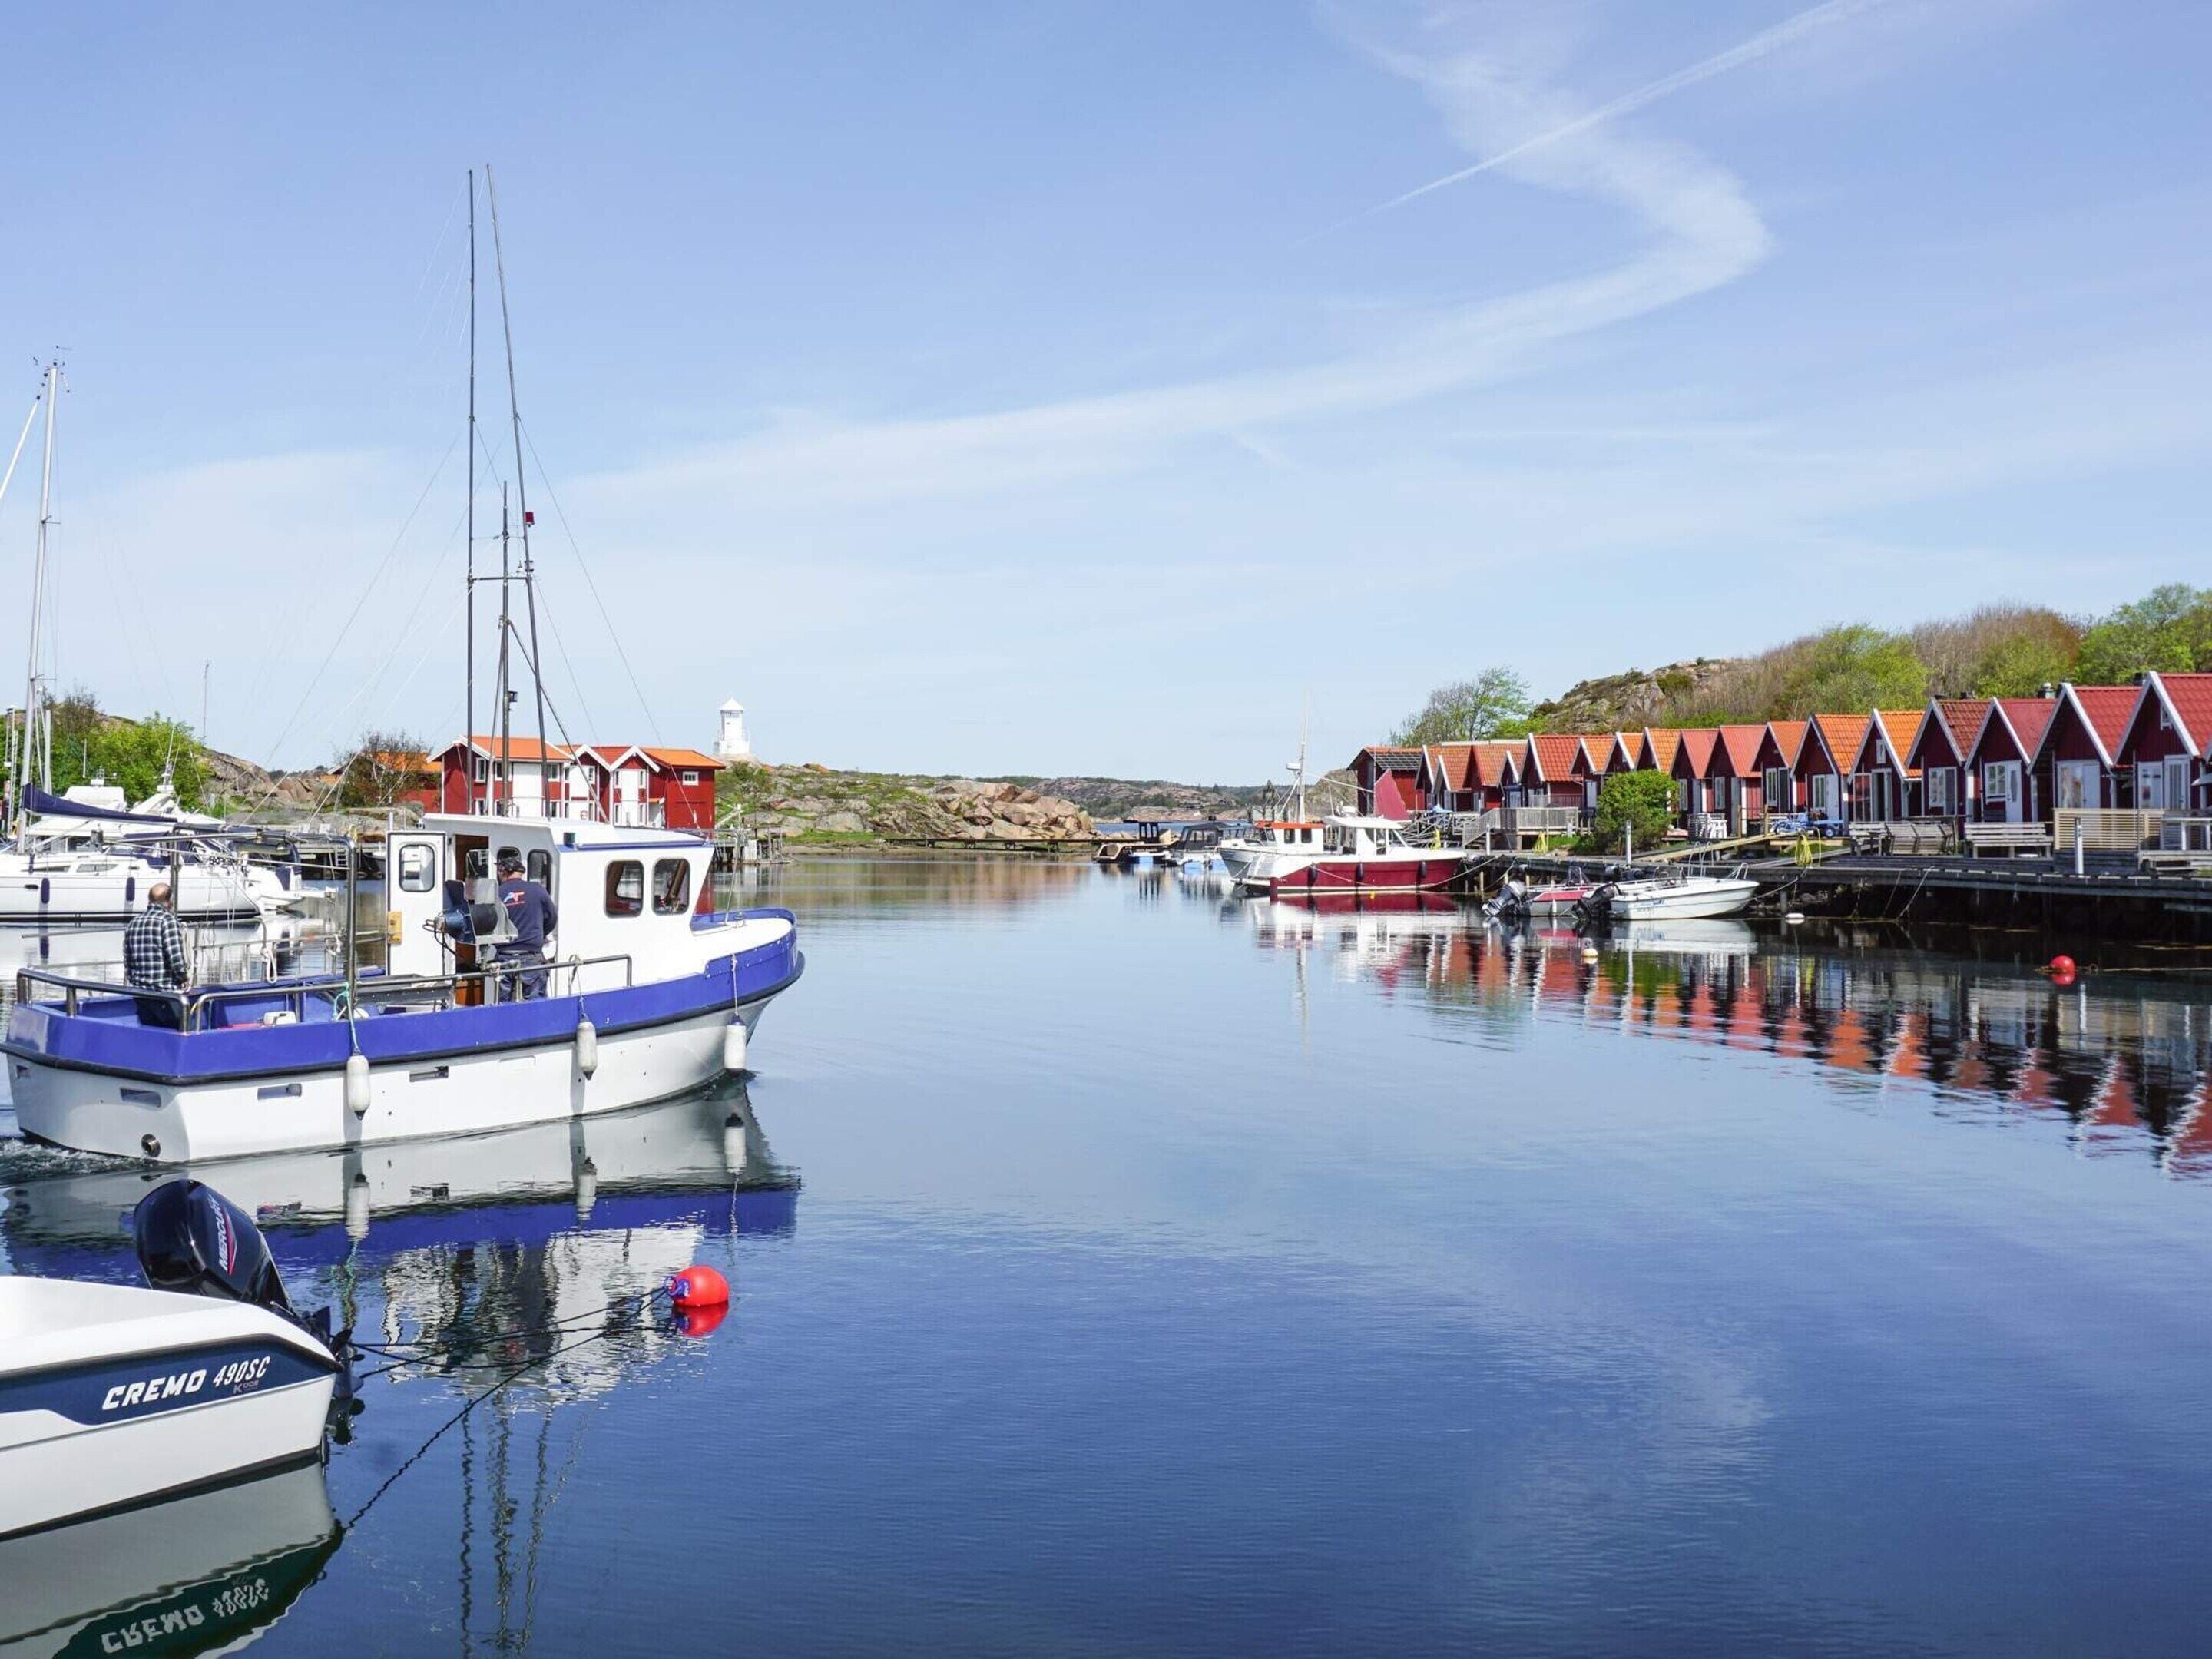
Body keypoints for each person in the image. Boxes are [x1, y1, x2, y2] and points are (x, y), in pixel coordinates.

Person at [124, 880, 191, 1030]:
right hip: (164, 994)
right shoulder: (167, 921)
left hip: (140, 993)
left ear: (149, 900)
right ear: (169, 901)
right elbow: (175, 958)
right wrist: (183, 978)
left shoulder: (134, 922)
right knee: (178, 1032)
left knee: (150, 1035)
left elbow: (127, 960)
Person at [495, 851, 558, 1000]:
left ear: (503, 872)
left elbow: (488, 923)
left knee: (504, 1003)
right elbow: (552, 917)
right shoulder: (537, 890)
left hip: (505, 956)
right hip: (532, 956)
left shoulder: (496, 893)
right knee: (535, 1002)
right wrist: (539, 935)